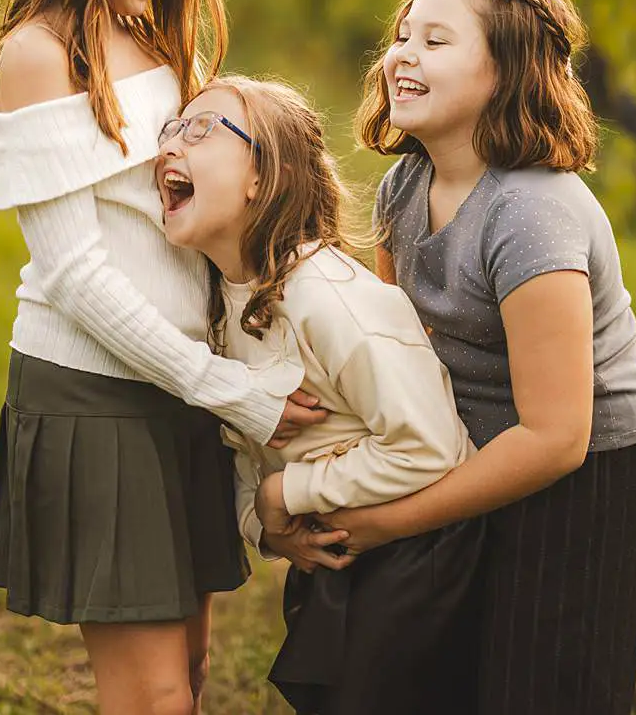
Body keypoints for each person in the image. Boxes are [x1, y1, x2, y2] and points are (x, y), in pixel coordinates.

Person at [0, 0, 324, 715]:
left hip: (178, 387)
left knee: (194, 673)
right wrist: (232, 392)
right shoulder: (39, 57)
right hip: (98, 394)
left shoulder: (158, 37)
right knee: (155, 696)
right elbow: (77, 276)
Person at [327, 0, 636, 715]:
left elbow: (555, 437)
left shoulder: (528, 212)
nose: (403, 54)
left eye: (436, 41)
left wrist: (389, 520)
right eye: (404, 34)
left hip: (579, 478)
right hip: (468, 450)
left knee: (539, 683)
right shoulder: (404, 187)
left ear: (505, 73)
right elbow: (397, 357)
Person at [156, 75, 483, 715]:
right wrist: (269, 529)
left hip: (416, 559)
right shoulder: (222, 301)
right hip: (335, 553)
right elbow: (249, 448)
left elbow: (430, 448)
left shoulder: (328, 298)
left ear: (264, 176)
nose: (171, 144)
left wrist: (289, 494)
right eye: (171, 128)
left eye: (201, 129)